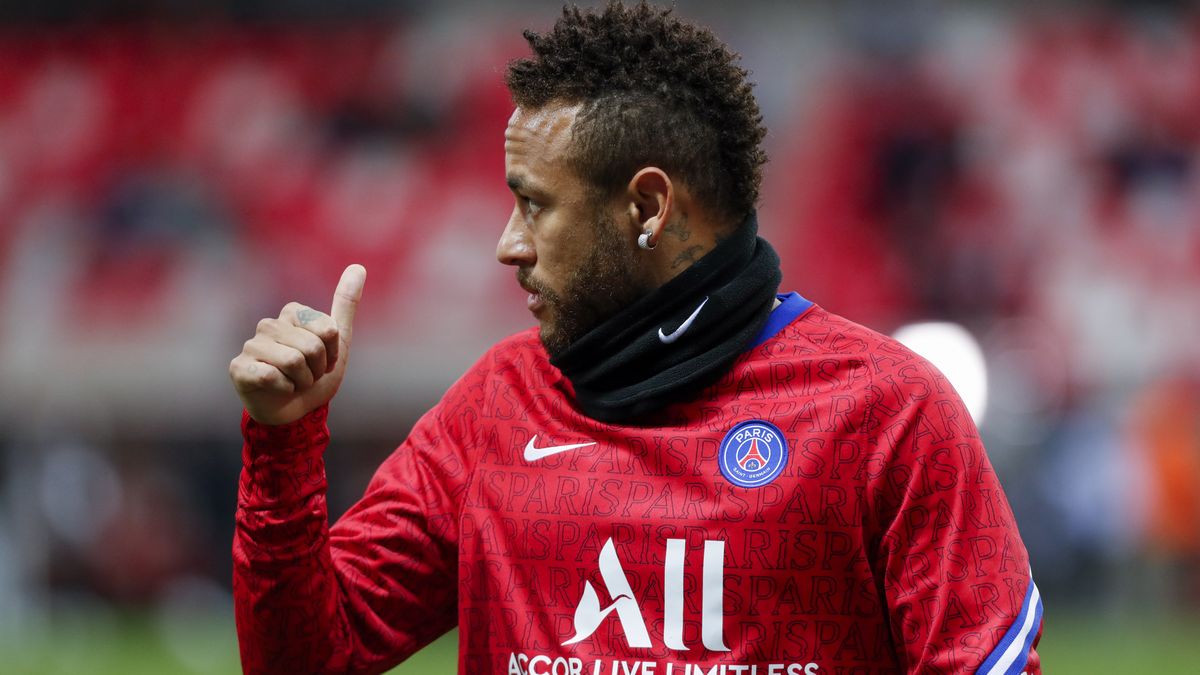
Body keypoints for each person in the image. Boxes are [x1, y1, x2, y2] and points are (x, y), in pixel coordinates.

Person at [229, 3, 1043, 674]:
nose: (508, 244)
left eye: (536, 204)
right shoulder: (496, 409)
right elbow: (304, 661)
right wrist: (283, 444)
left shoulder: (884, 413)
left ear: (648, 208)